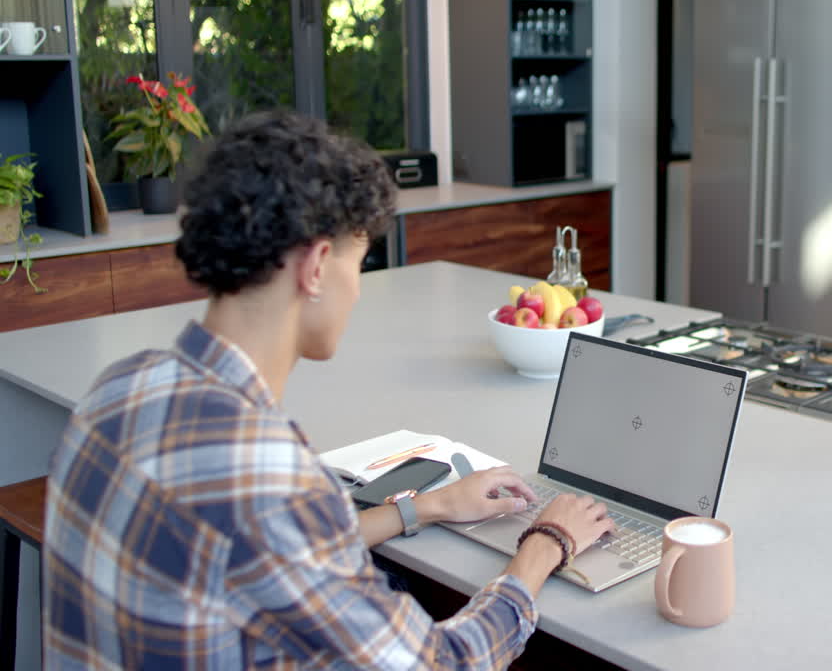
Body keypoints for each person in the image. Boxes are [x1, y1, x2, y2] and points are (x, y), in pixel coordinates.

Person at [43, 109, 615, 669]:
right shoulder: (267, 473)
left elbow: (274, 545)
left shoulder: (119, 387)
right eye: (358, 262)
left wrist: (429, 506)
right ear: (316, 266)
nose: (358, 291)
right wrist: (544, 545)